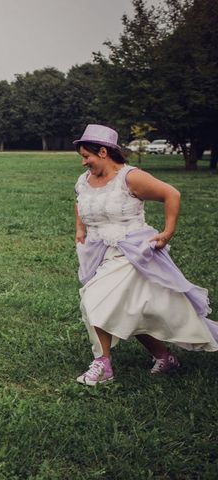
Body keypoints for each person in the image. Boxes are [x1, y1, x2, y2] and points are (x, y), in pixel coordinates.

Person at [73, 124, 218, 385]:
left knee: (92, 300)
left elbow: (171, 194)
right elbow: (80, 202)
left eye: (87, 156)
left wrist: (167, 232)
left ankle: (102, 364)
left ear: (103, 152)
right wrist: (80, 230)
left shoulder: (130, 177)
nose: (84, 162)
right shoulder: (84, 181)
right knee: (131, 310)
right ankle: (165, 357)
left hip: (132, 253)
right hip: (99, 253)